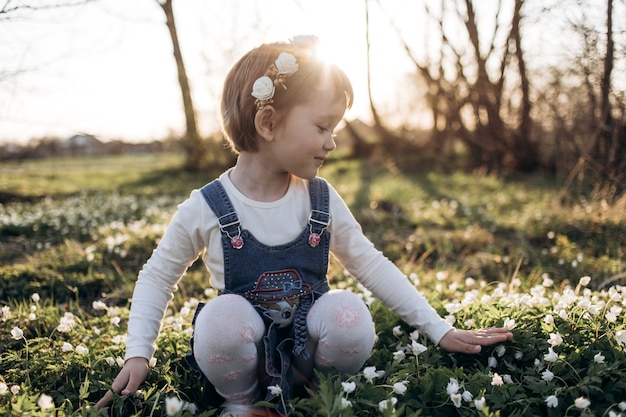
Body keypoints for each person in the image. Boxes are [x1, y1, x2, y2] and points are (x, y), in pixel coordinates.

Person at [96, 35, 513, 416]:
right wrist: (138, 352)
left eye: (334, 129)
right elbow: (156, 277)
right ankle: (243, 404)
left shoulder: (322, 199)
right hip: (244, 358)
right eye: (321, 127)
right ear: (269, 123)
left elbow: (370, 263)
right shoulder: (205, 207)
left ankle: (318, 393)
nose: (331, 142)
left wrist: (439, 329)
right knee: (221, 318)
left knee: (348, 312)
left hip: (310, 353)